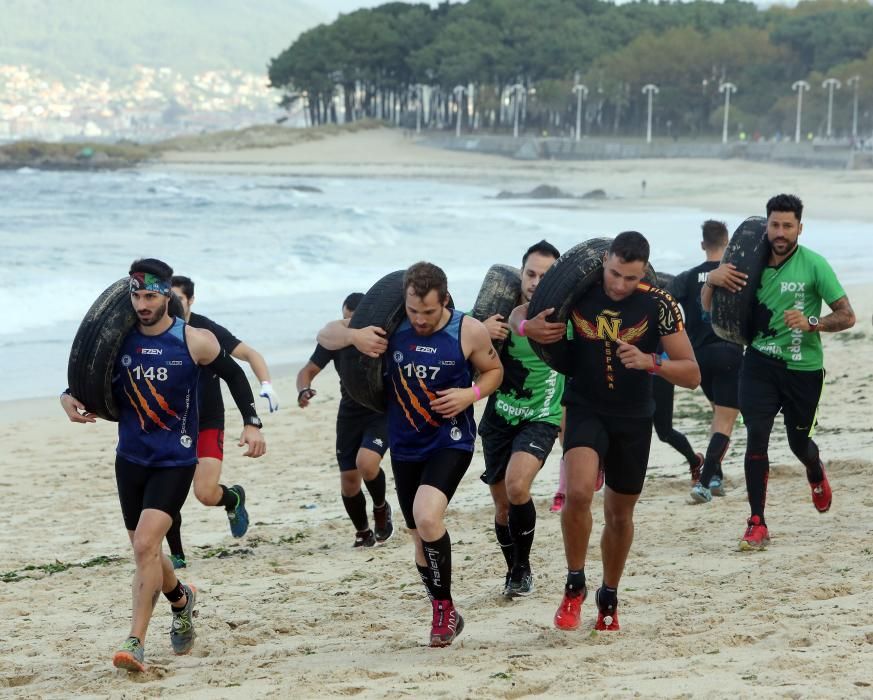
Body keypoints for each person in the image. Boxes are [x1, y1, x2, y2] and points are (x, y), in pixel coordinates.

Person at [60, 259, 266, 672]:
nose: (141, 303)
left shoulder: (193, 340)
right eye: (136, 295)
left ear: (167, 294)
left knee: (143, 546)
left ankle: (134, 641)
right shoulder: (118, 340)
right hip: (130, 458)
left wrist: (251, 420)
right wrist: (67, 397)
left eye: (150, 295)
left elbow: (234, 374)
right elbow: (86, 376)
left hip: (175, 459)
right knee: (146, 550)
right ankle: (181, 598)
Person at [512, 232, 700, 632]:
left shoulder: (659, 302)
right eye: (614, 273)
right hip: (585, 406)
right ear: (605, 263)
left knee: (619, 514)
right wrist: (528, 326)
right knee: (578, 492)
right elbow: (517, 313)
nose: (619, 285)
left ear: (642, 273)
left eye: (629, 278)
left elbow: (692, 374)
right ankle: (574, 583)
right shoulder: (580, 290)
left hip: (633, 417)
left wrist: (652, 362)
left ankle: (608, 594)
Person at [317, 262, 503, 647]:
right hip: (405, 444)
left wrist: (470, 394)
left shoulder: (467, 330)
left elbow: (493, 371)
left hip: (450, 440)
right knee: (419, 536)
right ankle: (445, 608)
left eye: (429, 312)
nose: (420, 320)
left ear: (446, 300)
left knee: (427, 516)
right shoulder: (392, 326)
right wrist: (354, 338)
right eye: (414, 311)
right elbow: (326, 335)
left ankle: (442, 610)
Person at [702, 194, 855, 550]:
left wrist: (812, 322)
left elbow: (847, 315)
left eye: (788, 225)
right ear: (765, 225)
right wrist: (713, 278)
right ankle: (757, 522)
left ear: (800, 227)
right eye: (775, 225)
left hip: (803, 369)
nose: (781, 232)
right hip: (759, 363)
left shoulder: (814, 265)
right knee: (757, 435)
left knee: (798, 443)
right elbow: (711, 310)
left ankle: (814, 471)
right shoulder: (746, 264)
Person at [163, 275, 278, 569]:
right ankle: (176, 553)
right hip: (172, 422)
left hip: (207, 419)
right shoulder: (155, 332)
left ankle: (233, 499)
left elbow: (245, 358)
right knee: (166, 490)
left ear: (190, 300)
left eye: (178, 298)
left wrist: (263, 392)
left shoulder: (206, 331)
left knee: (204, 493)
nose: (172, 304)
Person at [479, 241, 564, 597]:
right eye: (530, 273)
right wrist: (481, 328)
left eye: (544, 276)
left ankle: (523, 569)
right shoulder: (500, 314)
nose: (535, 281)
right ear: (521, 272)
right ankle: (512, 568)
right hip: (499, 416)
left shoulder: (565, 319)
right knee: (502, 508)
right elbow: (455, 332)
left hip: (542, 416)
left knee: (517, 487)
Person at [296, 292, 394, 548]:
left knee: (367, 463)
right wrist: (303, 389)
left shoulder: (381, 335)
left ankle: (381, 508)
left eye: (351, 320)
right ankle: (363, 532)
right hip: (349, 414)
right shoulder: (336, 339)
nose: (347, 325)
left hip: (379, 410)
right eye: (344, 320)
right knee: (350, 483)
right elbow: (307, 371)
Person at [671, 221, 744, 504]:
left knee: (718, 415)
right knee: (725, 421)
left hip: (698, 357)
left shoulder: (688, 277)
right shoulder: (736, 275)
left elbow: (663, 300)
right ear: (726, 243)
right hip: (728, 352)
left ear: (703, 245)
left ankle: (716, 476)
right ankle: (705, 482)